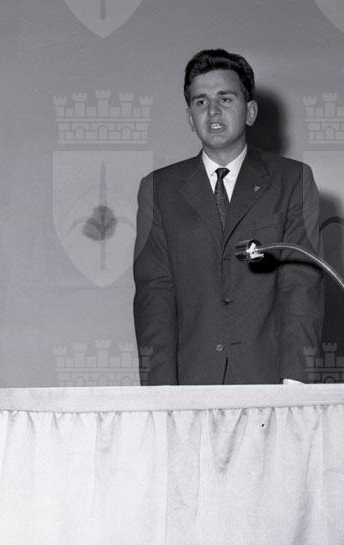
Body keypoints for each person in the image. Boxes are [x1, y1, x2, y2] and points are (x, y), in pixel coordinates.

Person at [133, 49, 323, 385]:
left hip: (270, 383)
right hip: (189, 383)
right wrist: (160, 392)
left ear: (250, 111)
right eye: (201, 102)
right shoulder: (158, 189)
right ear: (190, 118)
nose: (213, 111)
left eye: (225, 98)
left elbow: (301, 287)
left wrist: (296, 384)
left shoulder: (293, 180)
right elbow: (154, 296)